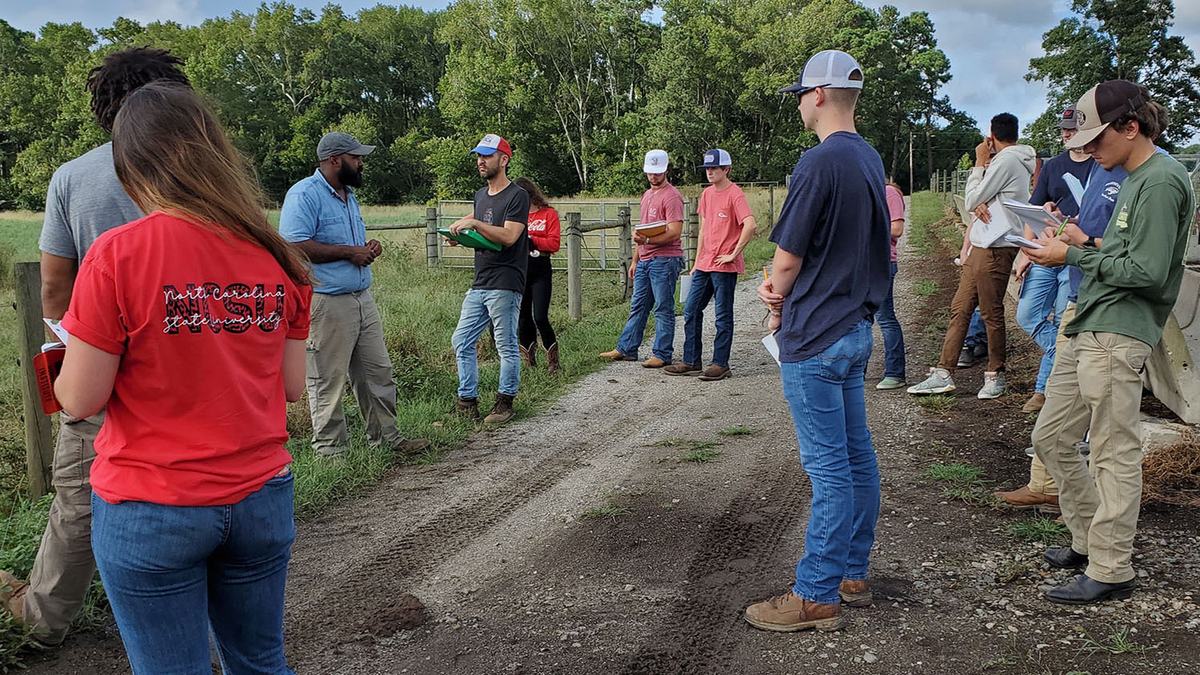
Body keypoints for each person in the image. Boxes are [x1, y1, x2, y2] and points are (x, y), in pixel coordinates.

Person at [52, 81, 310, 673]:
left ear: (131, 168)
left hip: (152, 505)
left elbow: (80, 398)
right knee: (262, 662)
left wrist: (62, 361)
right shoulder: (277, 255)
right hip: (260, 496)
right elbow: (292, 387)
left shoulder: (117, 255)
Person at [0, 47, 189, 649]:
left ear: (105, 109)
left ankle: (43, 621)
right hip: (195, 363)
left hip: (102, 368)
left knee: (81, 494)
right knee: (192, 488)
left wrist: (79, 351)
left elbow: (54, 287)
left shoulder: (74, 177)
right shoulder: (207, 170)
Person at [1022, 81, 1193, 604]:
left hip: (1119, 328)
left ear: (1131, 127)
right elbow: (1125, 250)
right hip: (1091, 318)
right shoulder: (1134, 175)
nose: (1090, 151)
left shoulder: (1161, 181)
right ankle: (1088, 537)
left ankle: (1113, 565)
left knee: (1113, 449)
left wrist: (1069, 258)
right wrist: (1080, 240)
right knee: (1052, 438)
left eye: (1097, 140)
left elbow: (1146, 271)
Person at [745, 49, 890, 632]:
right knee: (857, 457)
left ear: (821, 96)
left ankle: (815, 593)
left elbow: (788, 258)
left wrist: (775, 293)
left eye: (802, 94)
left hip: (816, 335)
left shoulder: (817, 163)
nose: (800, 105)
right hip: (856, 326)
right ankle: (852, 571)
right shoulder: (870, 159)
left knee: (828, 468)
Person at [995, 146, 1128, 512]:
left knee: (1105, 429)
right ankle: (1048, 486)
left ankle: (1102, 537)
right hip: (1080, 293)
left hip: (1110, 308)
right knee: (1056, 408)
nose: (1083, 144)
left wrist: (1074, 245)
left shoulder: (1148, 175)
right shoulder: (1100, 167)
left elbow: (1136, 259)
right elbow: (1086, 229)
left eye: (1092, 135)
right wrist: (1057, 229)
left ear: (1128, 128)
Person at [280, 132, 428, 458]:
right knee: (327, 382)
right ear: (335, 160)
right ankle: (332, 454)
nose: (361, 163)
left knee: (378, 374)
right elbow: (292, 245)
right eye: (355, 157)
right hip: (327, 302)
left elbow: (347, 246)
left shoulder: (349, 195)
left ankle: (387, 439)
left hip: (362, 298)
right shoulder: (304, 194)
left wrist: (368, 248)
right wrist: (349, 253)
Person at [908, 113, 1036, 399]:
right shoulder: (1011, 161)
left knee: (990, 313)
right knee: (960, 308)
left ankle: (995, 374)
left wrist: (979, 163)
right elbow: (979, 199)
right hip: (983, 245)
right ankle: (944, 371)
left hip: (996, 246)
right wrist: (982, 199)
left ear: (992, 136)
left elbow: (970, 199)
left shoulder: (1007, 160)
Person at [1014, 107, 1094, 414]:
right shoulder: (1052, 166)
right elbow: (1034, 209)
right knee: (1027, 314)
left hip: (1074, 254)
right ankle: (1060, 356)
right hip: (1047, 248)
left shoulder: (1101, 166)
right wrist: (1026, 251)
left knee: (1063, 320)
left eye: (1072, 128)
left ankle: (1043, 390)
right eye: (1064, 128)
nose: (1066, 133)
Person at [448, 134, 531, 425]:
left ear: (504, 160)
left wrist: (475, 224)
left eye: (487, 156)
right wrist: (460, 232)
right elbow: (481, 224)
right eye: (478, 156)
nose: (480, 161)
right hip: (481, 280)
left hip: (506, 280)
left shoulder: (518, 195)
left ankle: (504, 403)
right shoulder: (481, 195)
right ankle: (467, 402)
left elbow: (509, 236)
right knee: (462, 340)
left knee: (505, 344)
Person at [664, 148, 756, 381]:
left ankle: (720, 363)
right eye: (707, 168)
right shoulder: (707, 195)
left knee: (722, 314)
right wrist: (696, 261)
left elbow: (750, 224)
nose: (710, 172)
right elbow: (704, 228)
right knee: (691, 309)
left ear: (727, 169)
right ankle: (691, 360)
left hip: (724, 265)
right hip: (705, 263)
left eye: (714, 168)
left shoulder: (735, 194)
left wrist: (734, 253)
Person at [599, 150, 685, 368]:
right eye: (650, 173)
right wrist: (637, 259)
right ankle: (627, 348)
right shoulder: (647, 195)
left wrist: (647, 242)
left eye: (657, 173)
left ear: (666, 170)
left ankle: (662, 352)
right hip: (647, 258)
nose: (653, 177)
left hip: (665, 259)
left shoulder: (672, 196)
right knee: (638, 305)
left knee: (663, 307)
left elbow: (675, 231)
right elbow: (642, 230)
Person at [514, 177, 562, 374]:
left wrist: (533, 240)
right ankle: (529, 361)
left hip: (540, 266)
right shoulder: (515, 217)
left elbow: (554, 243)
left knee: (540, 316)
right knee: (523, 317)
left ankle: (553, 361)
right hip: (520, 267)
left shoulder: (548, 214)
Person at [875, 179, 907, 390]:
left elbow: (896, 229)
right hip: (860, 264)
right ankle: (856, 371)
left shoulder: (888, 192)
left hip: (881, 262)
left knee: (885, 318)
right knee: (858, 320)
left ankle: (895, 372)